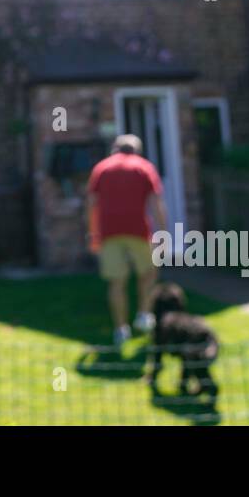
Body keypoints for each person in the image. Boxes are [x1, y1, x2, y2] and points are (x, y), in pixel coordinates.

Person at [86, 134, 167, 345]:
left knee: (117, 282)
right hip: (139, 230)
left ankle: (121, 329)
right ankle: (143, 314)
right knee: (148, 273)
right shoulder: (144, 167)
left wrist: (93, 233)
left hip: (109, 232)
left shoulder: (101, 168)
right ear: (137, 150)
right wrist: (163, 232)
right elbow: (156, 203)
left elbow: (92, 204)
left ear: (115, 148)